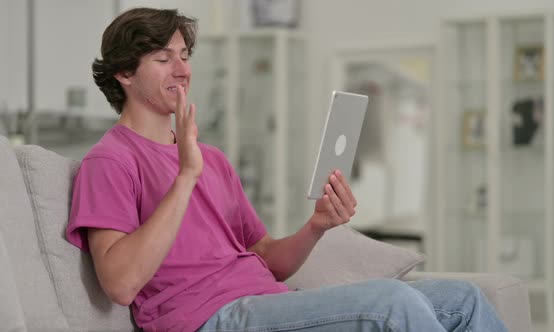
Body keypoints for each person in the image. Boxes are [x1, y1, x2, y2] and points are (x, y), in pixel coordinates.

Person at [66, 7, 508, 332]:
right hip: (207, 318)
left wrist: (315, 226)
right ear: (124, 73)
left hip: (267, 301)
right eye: (164, 59)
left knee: (463, 299)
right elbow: (121, 285)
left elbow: (266, 258)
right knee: (390, 302)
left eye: (185, 55)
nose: (183, 70)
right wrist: (184, 177)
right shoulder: (110, 161)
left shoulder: (211, 158)